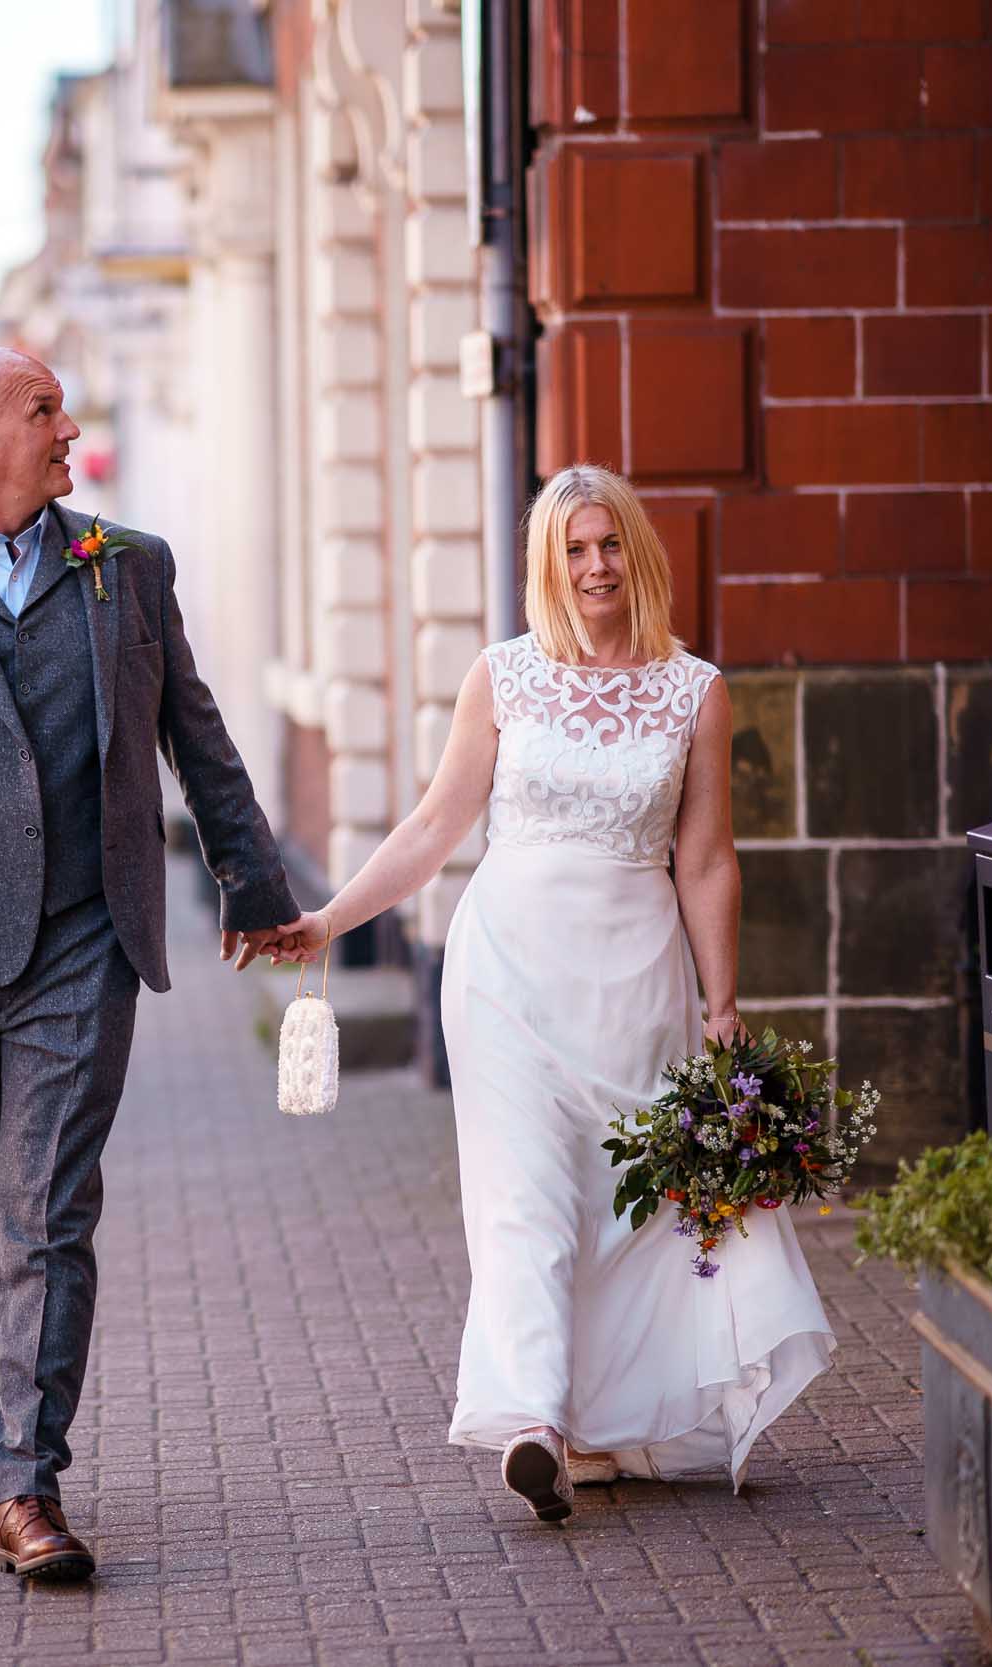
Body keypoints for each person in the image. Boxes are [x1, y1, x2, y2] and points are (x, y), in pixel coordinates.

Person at [0, 349, 309, 1581]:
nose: (69, 425)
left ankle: (31, 1477)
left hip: (88, 935)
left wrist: (252, 874)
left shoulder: (126, 567)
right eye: (44, 412)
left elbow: (194, 730)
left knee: (48, 1208)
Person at [269, 464, 834, 1521]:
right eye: (572, 550)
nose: (594, 567)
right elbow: (436, 824)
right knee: (523, 1199)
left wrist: (723, 1001)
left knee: (631, 1210)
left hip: (637, 979)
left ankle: (600, 1424)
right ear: (545, 565)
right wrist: (328, 920)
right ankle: (531, 1417)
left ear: (638, 554)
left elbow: (707, 859)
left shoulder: (694, 690)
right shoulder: (503, 676)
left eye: (609, 544)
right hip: (506, 977)